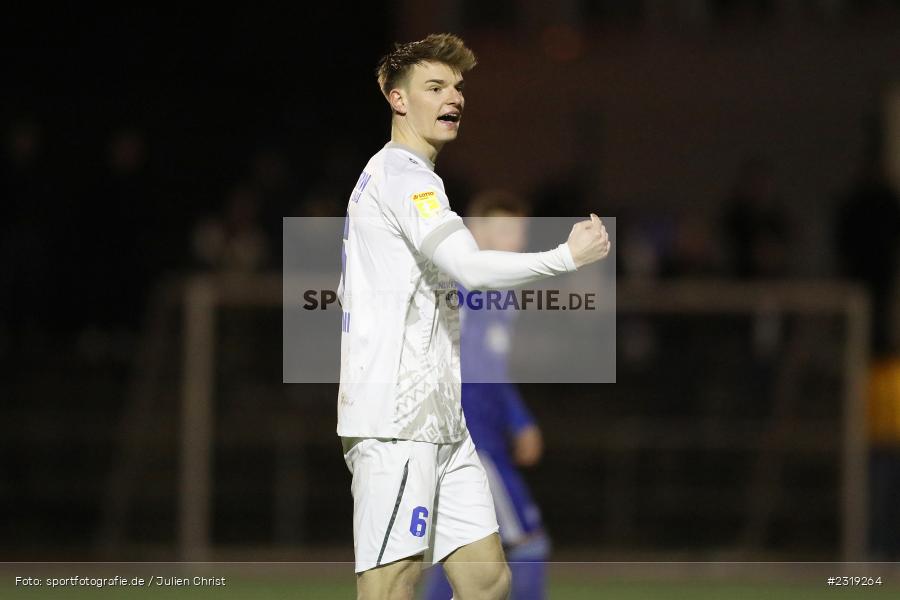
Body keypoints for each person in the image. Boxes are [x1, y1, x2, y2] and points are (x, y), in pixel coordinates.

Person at [337, 33, 610, 600]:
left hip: (443, 420)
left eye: (457, 87)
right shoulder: (406, 177)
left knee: (487, 580)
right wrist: (566, 257)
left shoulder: (399, 179)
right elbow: (470, 268)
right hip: (398, 422)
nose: (453, 97)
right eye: (434, 87)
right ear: (397, 99)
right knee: (393, 584)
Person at [422, 190, 551, 600]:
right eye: (502, 230)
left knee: (463, 550)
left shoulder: (499, 290)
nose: (514, 241)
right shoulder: (467, 285)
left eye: (519, 232)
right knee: (528, 541)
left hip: (481, 436)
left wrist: (518, 419)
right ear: (474, 231)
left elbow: (487, 368)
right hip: (472, 441)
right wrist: (516, 421)